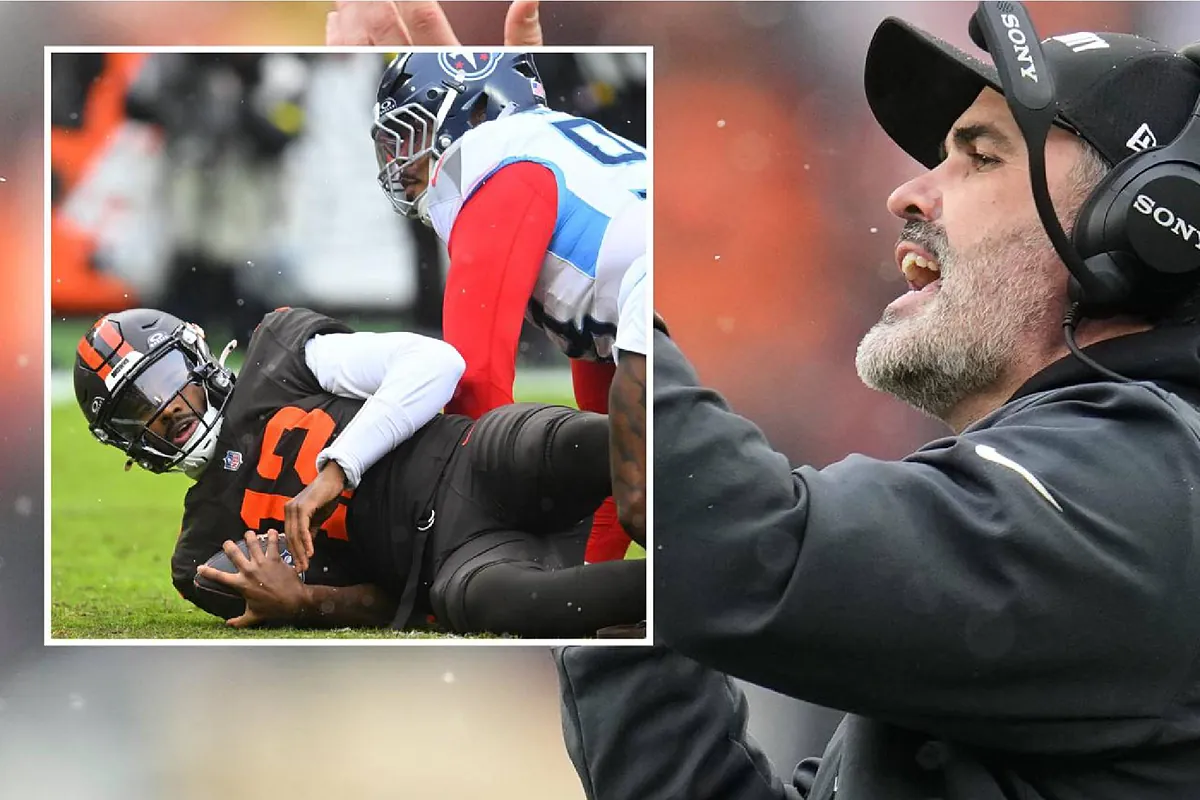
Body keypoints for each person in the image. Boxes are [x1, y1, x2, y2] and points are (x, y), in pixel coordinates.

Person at [553, 10, 1200, 800]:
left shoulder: (1143, 492)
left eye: (982, 156)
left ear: (1140, 232)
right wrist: (618, 583)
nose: (907, 193)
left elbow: (756, 553)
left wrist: (593, 255)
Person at [72, 305, 645, 637]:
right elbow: (378, 602)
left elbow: (436, 363)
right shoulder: (200, 557)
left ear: (196, 356)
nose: (167, 406)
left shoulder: (281, 354)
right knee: (513, 606)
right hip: (451, 565)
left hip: (477, 458)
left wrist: (338, 469)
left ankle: (721, 484)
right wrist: (304, 604)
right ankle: (705, 581)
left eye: (166, 377)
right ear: (124, 442)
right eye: (138, 407)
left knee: (611, 446)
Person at [371, 50, 648, 564]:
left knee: (679, 501)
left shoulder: (492, 163)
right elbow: (613, 460)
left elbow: (475, 383)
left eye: (408, 131)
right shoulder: (554, 145)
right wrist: (575, 584)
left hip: (658, 294)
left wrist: (480, 546)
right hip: (672, 297)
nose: (399, 158)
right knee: (647, 479)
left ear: (472, 112)